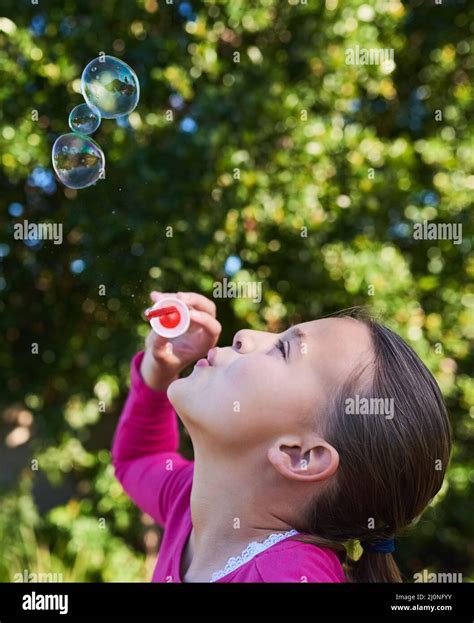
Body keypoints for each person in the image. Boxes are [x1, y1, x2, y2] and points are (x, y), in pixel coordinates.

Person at [112, 291, 451, 582]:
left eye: (283, 350)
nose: (244, 334)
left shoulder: (290, 575)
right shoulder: (187, 502)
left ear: (299, 455)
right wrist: (159, 370)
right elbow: (139, 458)